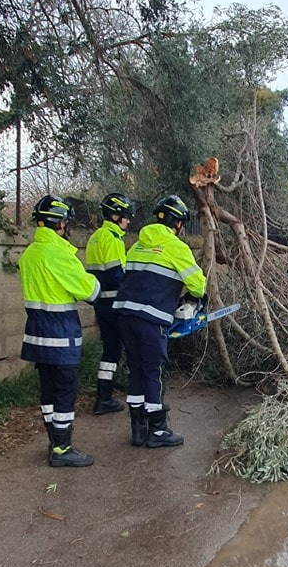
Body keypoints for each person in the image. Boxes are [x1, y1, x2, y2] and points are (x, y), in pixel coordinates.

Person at [113, 194, 206, 449]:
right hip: (151, 320)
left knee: (136, 369)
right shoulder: (176, 247)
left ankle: (138, 428)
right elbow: (198, 283)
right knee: (154, 372)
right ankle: (158, 429)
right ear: (177, 223)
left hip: (124, 315)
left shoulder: (137, 246)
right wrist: (196, 299)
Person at [19, 195, 101, 467]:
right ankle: (63, 449)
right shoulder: (61, 256)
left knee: (48, 391)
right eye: (65, 222)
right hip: (60, 333)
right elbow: (89, 291)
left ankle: (54, 442)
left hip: (36, 332)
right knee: (66, 391)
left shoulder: (29, 255)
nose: (67, 226)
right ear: (59, 224)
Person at [85, 192, 136, 414]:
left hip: (101, 304)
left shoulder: (95, 237)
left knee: (111, 350)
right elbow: (119, 275)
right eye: (126, 216)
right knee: (131, 347)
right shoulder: (113, 239)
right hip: (116, 304)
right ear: (115, 216)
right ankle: (133, 393)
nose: (128, 221)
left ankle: (103, 396)